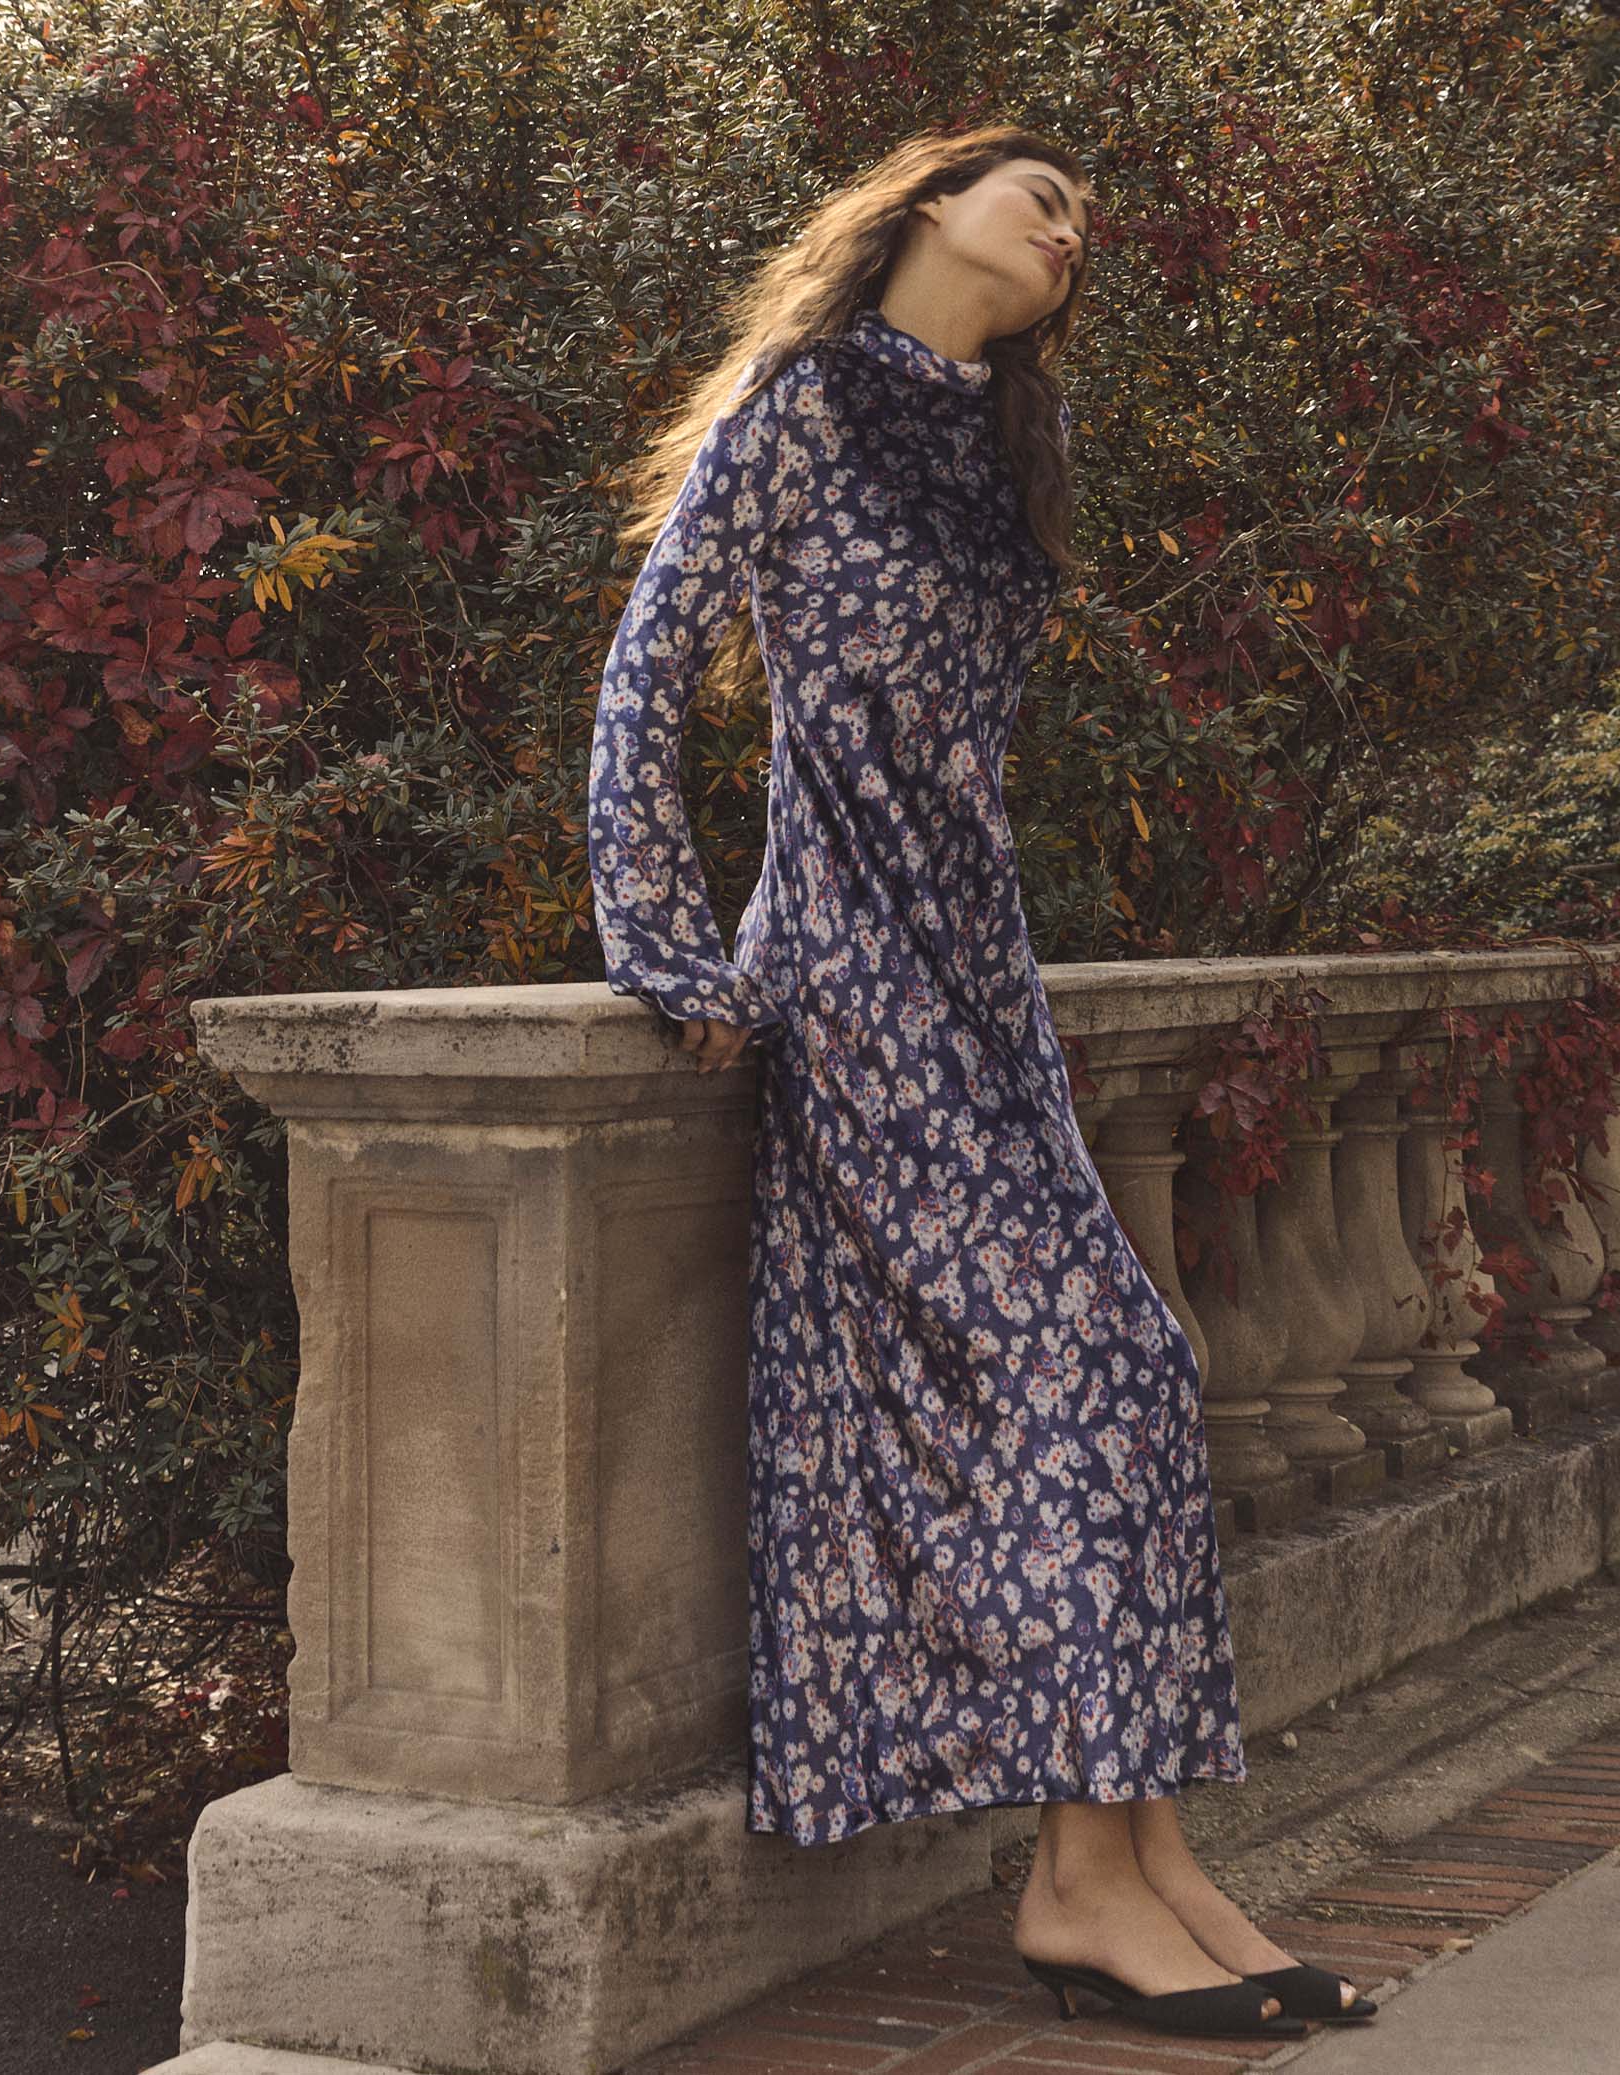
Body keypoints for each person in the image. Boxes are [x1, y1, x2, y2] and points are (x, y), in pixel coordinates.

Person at [587, 120, 1374, 2042]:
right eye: (1044, 192)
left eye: (1089, 218)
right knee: (1088, 1365)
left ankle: (1148, 1857)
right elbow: (644, 678)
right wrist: (676, 954)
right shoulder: (803, 409)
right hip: (849, 971)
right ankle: (1075, 1885)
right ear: (929, 201)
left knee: (1139, 1365)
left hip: (979, 971)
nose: (1070, 225)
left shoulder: (1014, 441)